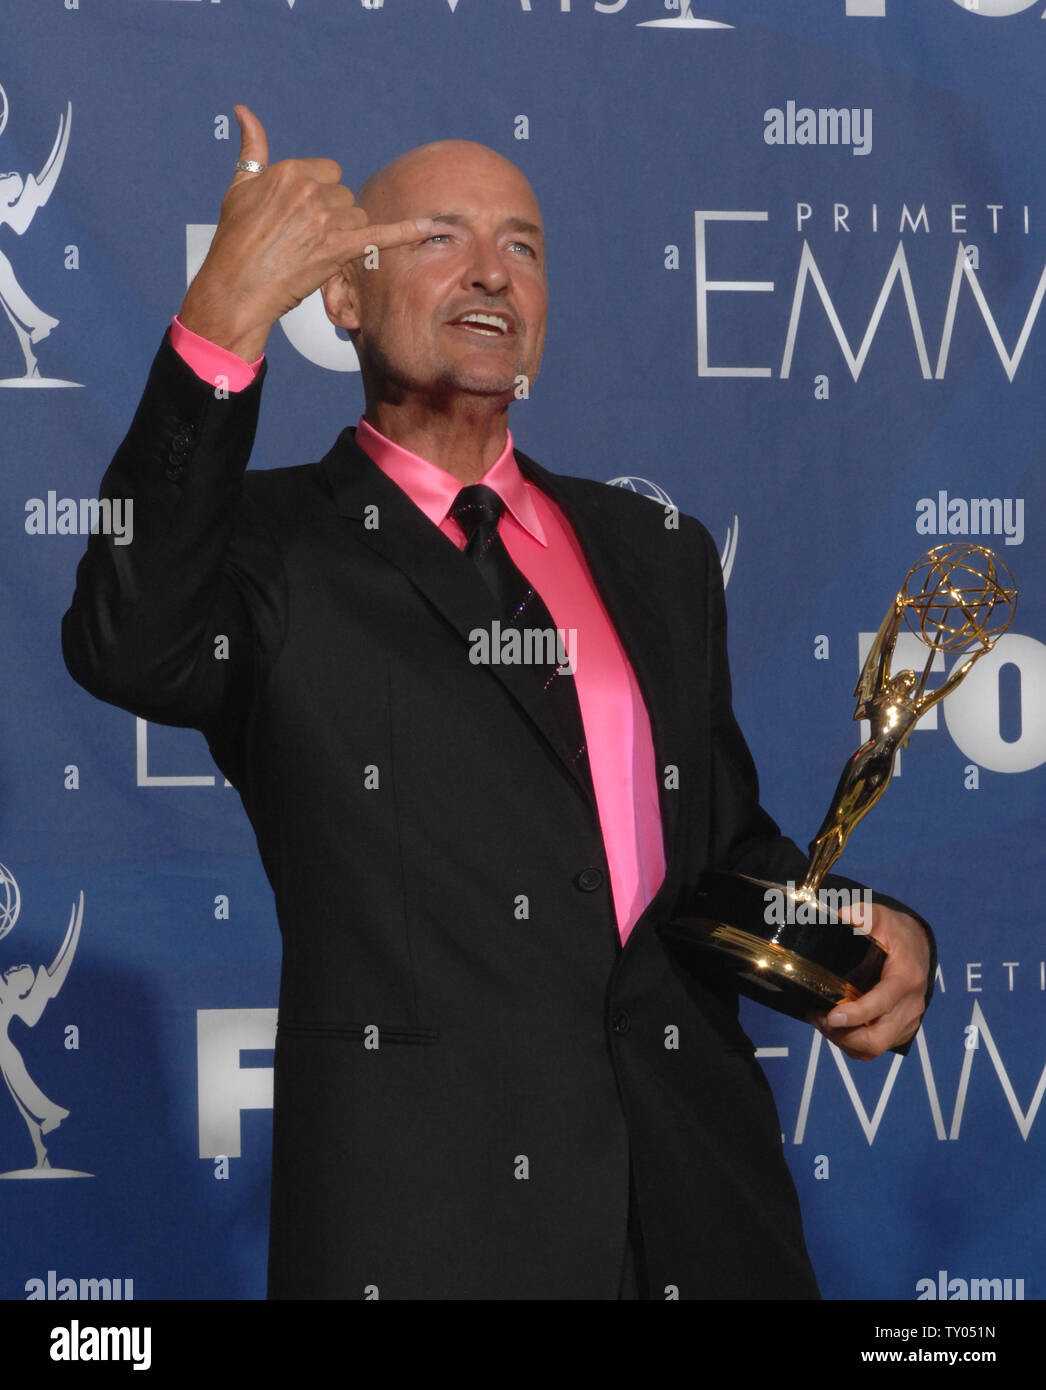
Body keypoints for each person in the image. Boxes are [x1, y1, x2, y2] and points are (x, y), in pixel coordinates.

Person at [62, 107, 932, 1300]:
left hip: (697, 1204)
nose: (488, 270)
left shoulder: (653, 550)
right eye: (437, 237)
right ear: (340, 298)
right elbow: (127, 642)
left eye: (521, 246)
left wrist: (857, 932)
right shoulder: (265, 548)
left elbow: (708, 851)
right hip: (429, 1228)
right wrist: (219, 323)